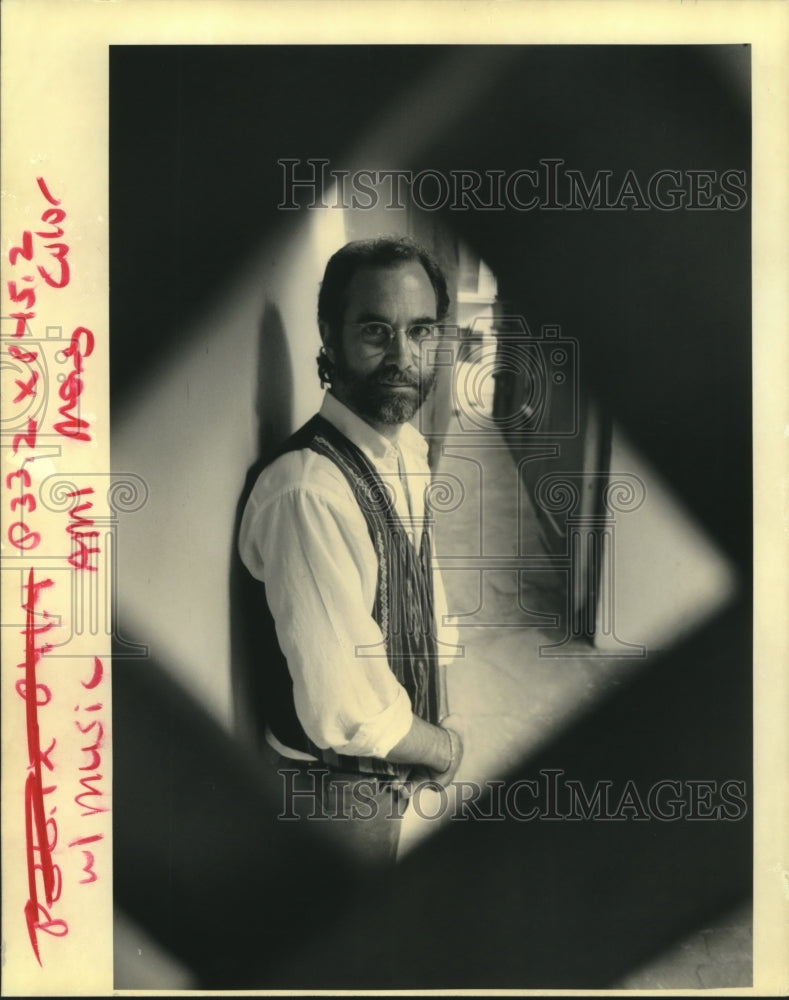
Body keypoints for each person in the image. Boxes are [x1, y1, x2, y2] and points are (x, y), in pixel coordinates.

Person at [238, 235, 463, 866]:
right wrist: (443, 748)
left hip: (386, 765)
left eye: (421, 331)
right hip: (334, 793)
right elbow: (349, 711)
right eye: (375, 330)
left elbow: (419, 578)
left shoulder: (405, 446)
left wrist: (431, 700)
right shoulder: (307, 492)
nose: (402, 356)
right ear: (329, 339)